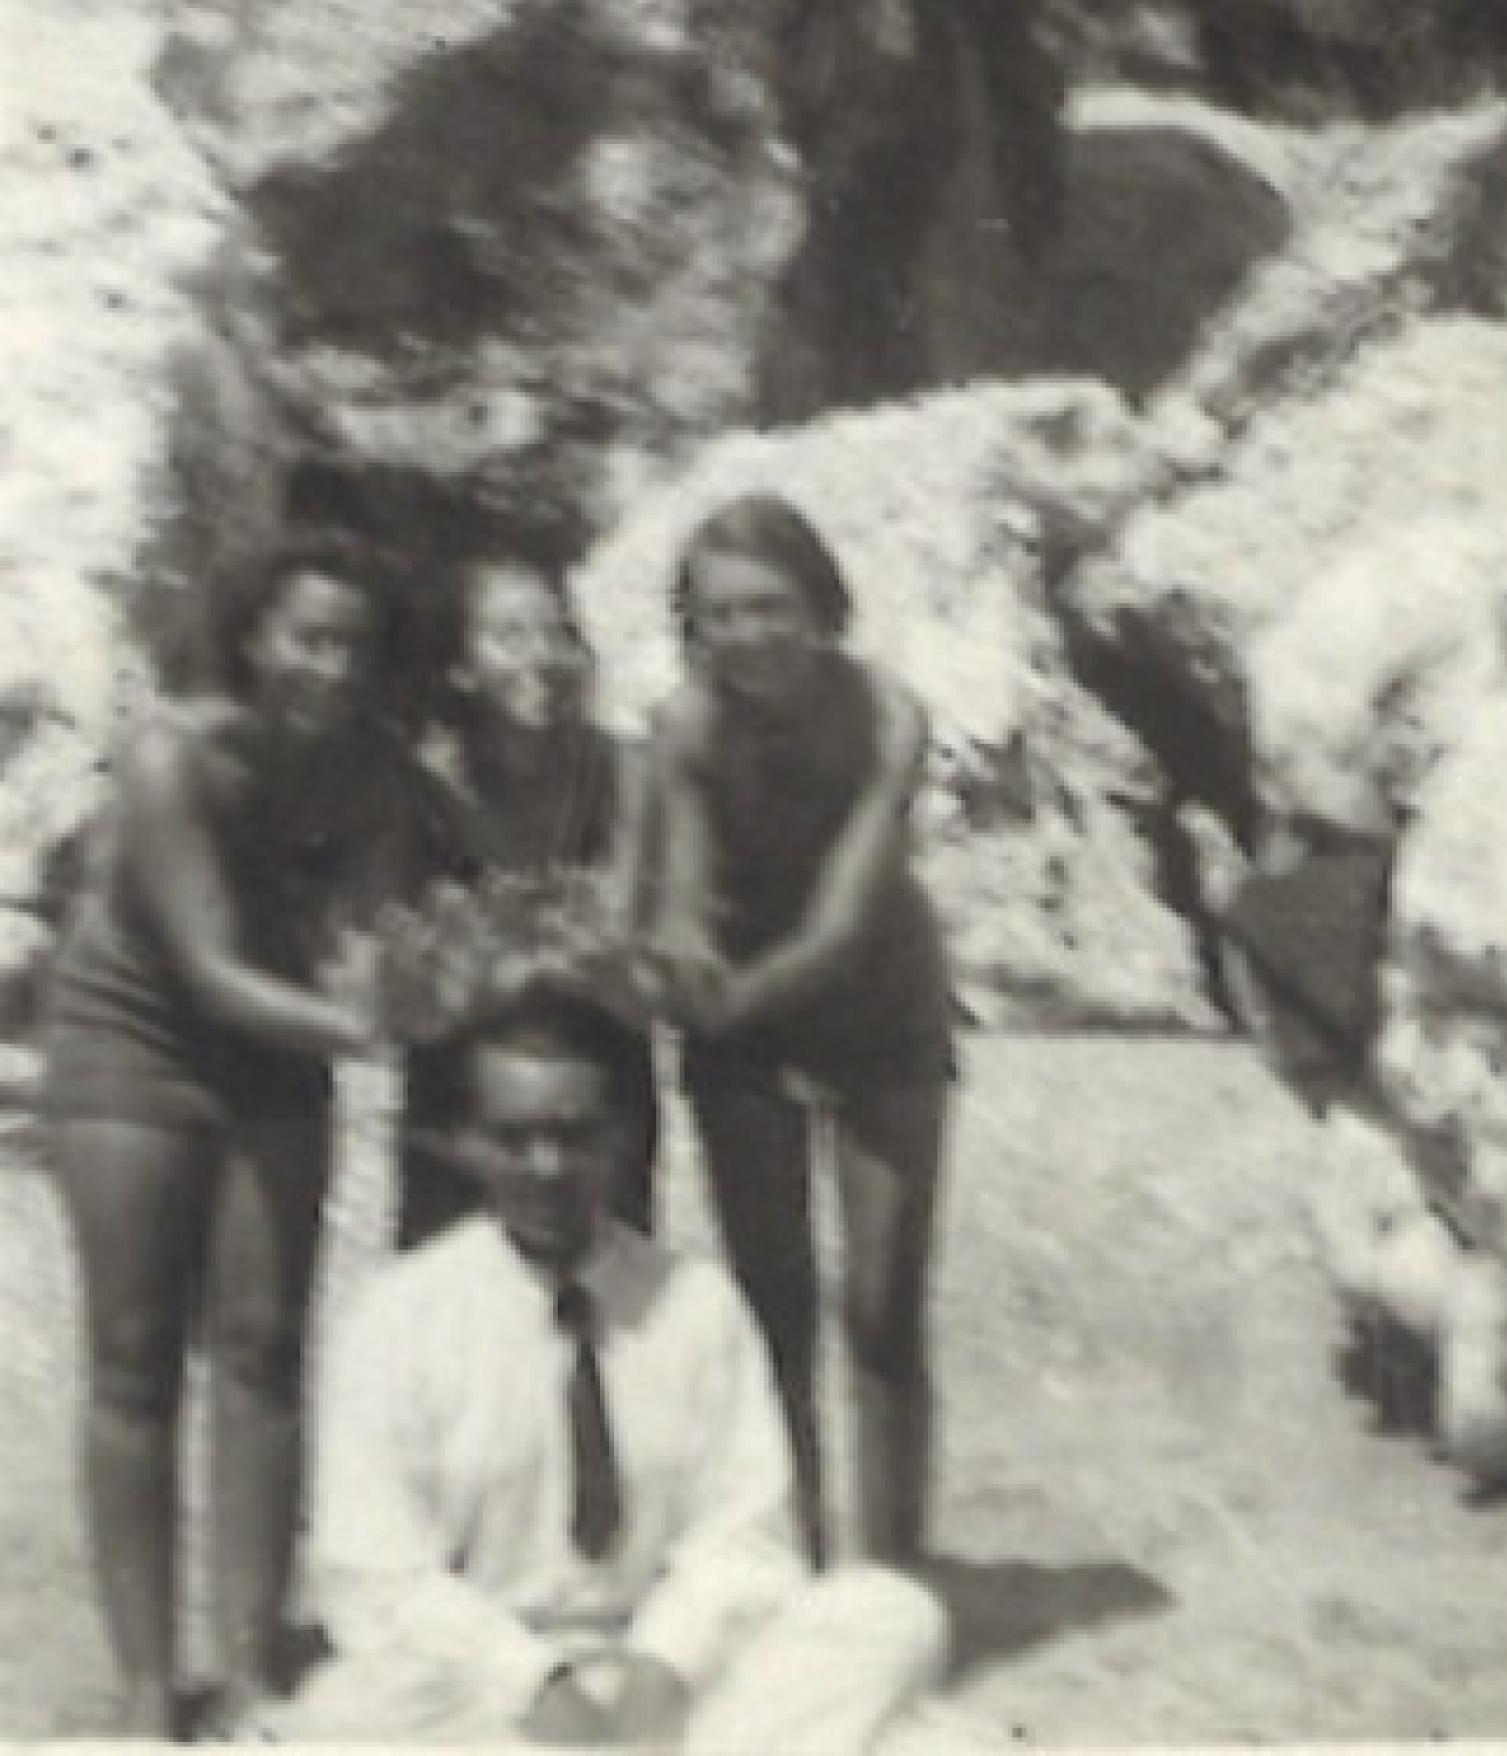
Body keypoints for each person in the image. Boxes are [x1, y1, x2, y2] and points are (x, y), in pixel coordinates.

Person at [278, 966, 950, 1751]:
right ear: (463, 1142)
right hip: (486, 1686)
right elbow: (373, 1567)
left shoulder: (695, 1303)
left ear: (622, 1136)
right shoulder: (398, 1317)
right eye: (513, 1138)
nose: (547, 1166)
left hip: (669, 1679)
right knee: (342, 1711)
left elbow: (749, 1535)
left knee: (890, 1614)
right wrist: (534, 1682)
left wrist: (661, 1670)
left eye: (574, 1134)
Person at [40, 528, 425, 1740]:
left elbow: (361, 941)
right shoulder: (173, 754)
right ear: (253, 636)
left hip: (274, 1050)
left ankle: (252, 1667)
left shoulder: (377, 772)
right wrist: (365, 1030)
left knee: (263, 1348)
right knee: (135, 1357)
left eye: (355, 643)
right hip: (130, 1042)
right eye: (309, 638)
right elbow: (208, 967)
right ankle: (149, 1686)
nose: (332, 666)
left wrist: (388, 989)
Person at [648, 495, 954, 1567]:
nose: (749, 634)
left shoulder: (887, 716)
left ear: (821, 605)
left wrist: (726, 1000)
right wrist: (684, 962)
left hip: (879, 1010)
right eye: (722, 613)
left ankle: (891, 1572)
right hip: (743, 1018)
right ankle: (796, 1553)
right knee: (771, 1304)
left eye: (771, 606)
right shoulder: (685, 724)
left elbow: (841, 920)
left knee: (881, 1307)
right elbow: (683, 891)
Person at [399, 546, 658, 1246]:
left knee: (604, 1282)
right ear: (460, 666)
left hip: (595, 1067)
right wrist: (555, 957)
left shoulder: (625, 770)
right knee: (449, 1284)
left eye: (556, 633)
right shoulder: (419, 788)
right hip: (459, 1081)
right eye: (509, 636)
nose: (540, 655)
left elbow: (620, 949)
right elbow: (414, 999)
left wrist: (497, 966)